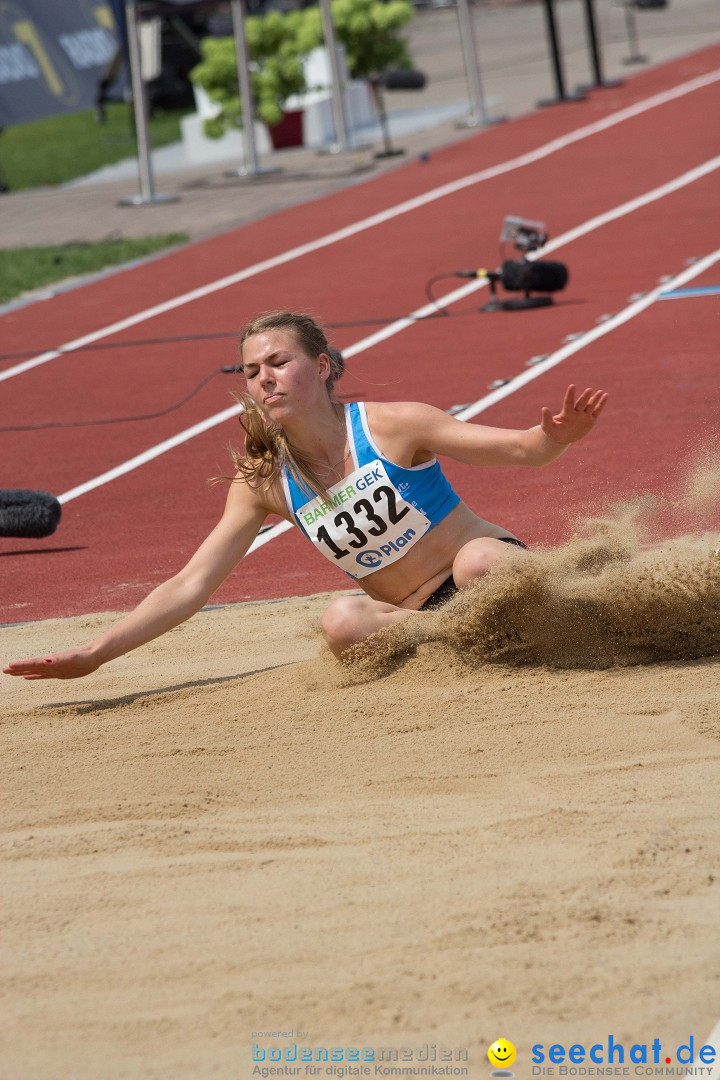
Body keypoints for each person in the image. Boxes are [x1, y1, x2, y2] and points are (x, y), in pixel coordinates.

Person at [3, 310, 607, 680]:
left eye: (278, 361)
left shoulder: (393, 425)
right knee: (341, 622)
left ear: (321, 367)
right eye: (250, 370)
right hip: (416, 620)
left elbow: (522, 450)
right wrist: (96, 653)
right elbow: (190, 586)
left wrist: (556, 436)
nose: (264, 377)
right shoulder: (264, 482)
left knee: (478, 562)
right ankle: (459, 645)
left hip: (489, 573)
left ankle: (585, 611)